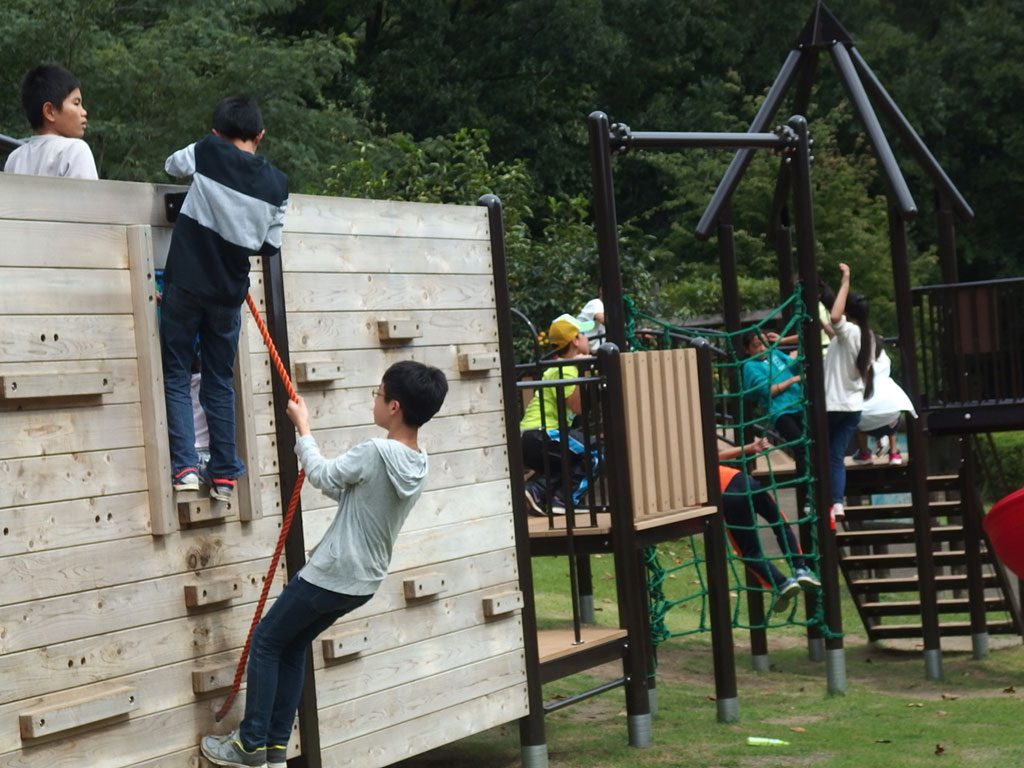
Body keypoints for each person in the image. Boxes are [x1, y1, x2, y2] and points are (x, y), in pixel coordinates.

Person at [200, 360, 448, 768]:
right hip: (362, 581)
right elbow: (354, 494)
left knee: (265, 641)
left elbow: (322, 475)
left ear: (394, 407)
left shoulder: (376, 450)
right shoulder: (420, 461)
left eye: (377, 394)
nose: (375, 399)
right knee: (292, 644)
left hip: (331, 573)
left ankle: (248, 745)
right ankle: (275, 747)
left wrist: (304, 427)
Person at [160, 95, 289, 500]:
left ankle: (184, 468)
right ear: (261, 135)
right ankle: (224, 476)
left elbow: (171, 165)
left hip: (184, 285)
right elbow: (271, 245)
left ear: (217, 131)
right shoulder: (278, 185)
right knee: (219, 381)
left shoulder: (207, 150)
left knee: (177, 374)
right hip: (227, 297)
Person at [718, 437, 820, 614]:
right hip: (744, 481)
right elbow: (717, 456)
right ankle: (800, 569)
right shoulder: (694, 456)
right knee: (779, 523)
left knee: (749, 552)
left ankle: (782, 582)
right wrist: (750, 447)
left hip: (727, 496)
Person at [521, 313, 599, 513]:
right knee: (596, 451)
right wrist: (585, 371)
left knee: (570, 458)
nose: (587, 338)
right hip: (542, 433)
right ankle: (564, 501)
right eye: (583, 334)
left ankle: (536, 491)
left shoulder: (555, 367)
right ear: (574, 340)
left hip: (528, 437)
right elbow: (578, 407)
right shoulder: (568, 369)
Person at [824, 263, 874, 522]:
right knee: (836, 458)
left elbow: (835, 320)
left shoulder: (850, 331)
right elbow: (834, 330)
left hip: (833, 406)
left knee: (820, 455)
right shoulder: (867, 336)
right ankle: (837, 503)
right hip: (853, 408)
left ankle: (818, 501)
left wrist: (845, 280)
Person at [3, 64, 98, 179]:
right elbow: (86, 196)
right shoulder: (76, 150)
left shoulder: (14, 158)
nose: (84, 112)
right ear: (49, 111)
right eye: (76, 103)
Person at [740, 330, 807, 479]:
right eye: (757, 346)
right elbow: (767, 391)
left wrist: (793, 348)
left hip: (799, 403)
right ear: (747, 350)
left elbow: (795, 366)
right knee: (800, 447)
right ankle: (807, 492)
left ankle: (814, 485)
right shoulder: (750, 366)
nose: (762, 348)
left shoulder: (774, 353)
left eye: (764, 343)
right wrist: (792, 380)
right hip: (780, 411)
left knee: (811, 445)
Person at [851, 338, 917, 466]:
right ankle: (894, 453)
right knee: (892, 409)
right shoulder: (884, 361)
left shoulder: (859, 361)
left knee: (855, 415)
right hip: (889, 420)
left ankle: (864, 454)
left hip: (864, 422)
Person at [576, 287, 606, 352]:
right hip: (580, 349)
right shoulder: (596, 303)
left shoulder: (605, 308)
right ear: (601, 290)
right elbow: (601, 318)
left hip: (592, 351)